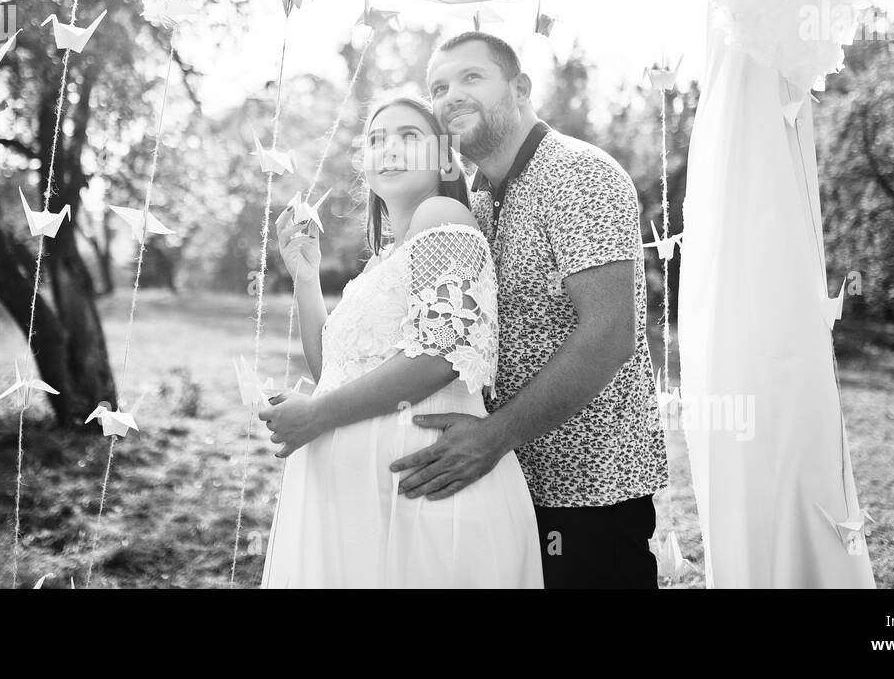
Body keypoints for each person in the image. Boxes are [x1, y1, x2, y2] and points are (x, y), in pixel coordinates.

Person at [389, 30, 669, 589]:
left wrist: (493, 437)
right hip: (508, 486)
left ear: (520, 87)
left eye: (472, 78)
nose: (451, 97)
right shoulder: (477, 197)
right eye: (438, 87)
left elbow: (609, 334)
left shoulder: (576, 174)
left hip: (589, 493)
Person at [257, 92, 542, 588]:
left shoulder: (442, 216)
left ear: (443, 158)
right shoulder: (382, 259)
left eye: (409, 137)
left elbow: (442, 353)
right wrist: (306, 278)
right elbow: (333, 368)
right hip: (370, 502)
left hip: (424, 489)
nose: (389, 149)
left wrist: (318, 415)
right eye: (376, 140)